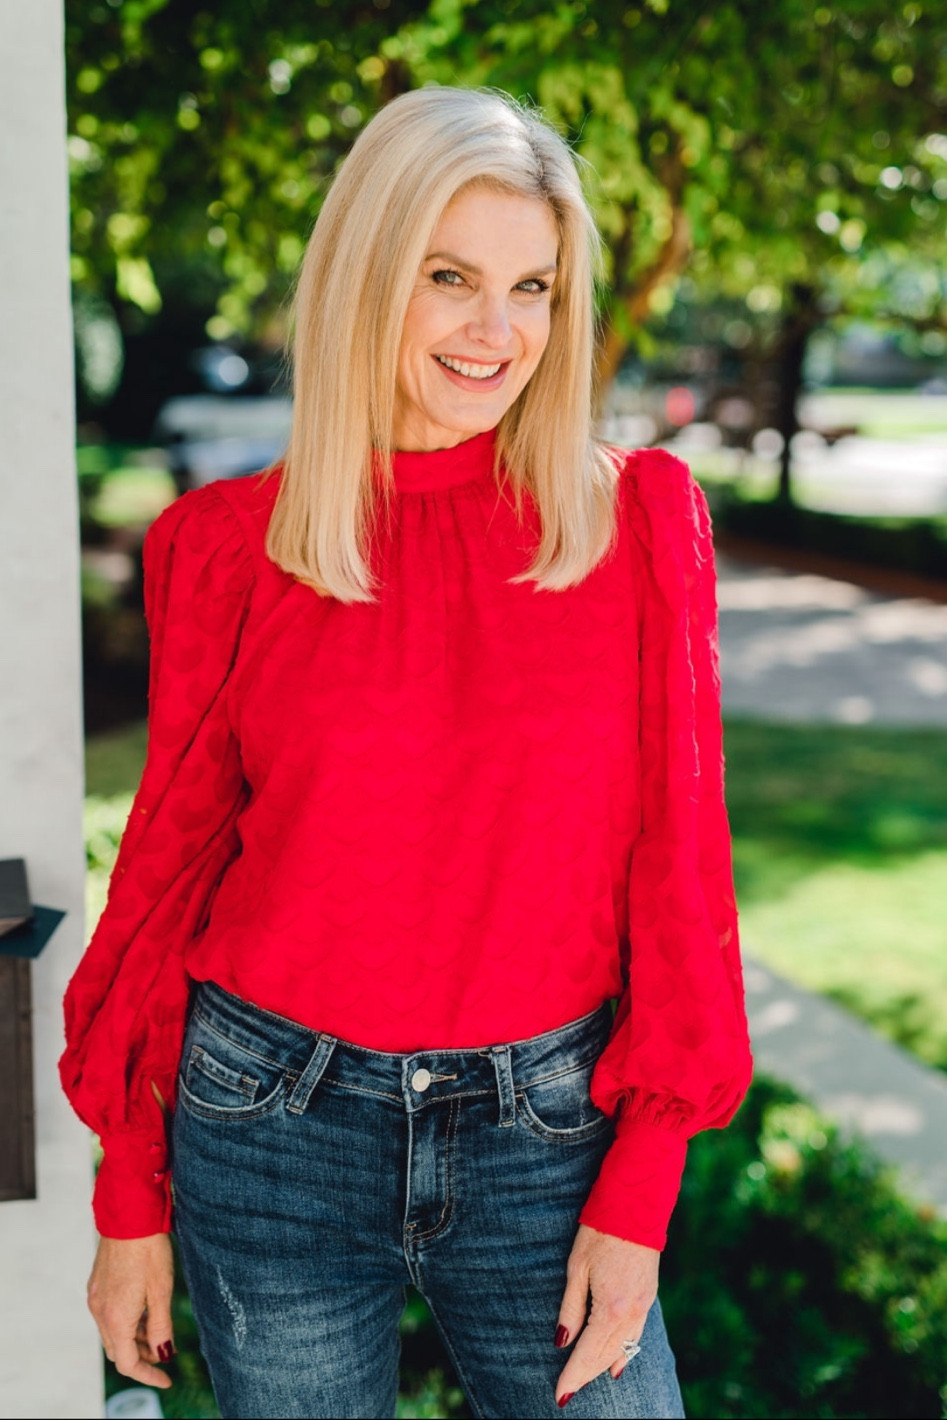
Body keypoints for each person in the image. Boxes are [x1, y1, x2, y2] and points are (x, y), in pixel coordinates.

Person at [61, 86, 753, 1420]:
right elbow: (165, 879)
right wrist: (130, 1198)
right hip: (271, 1127)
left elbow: (682, 874)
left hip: (548, 1135)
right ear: (368, 276)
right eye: (450, 277)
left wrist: (642, 1192)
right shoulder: (226, 550)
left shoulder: (639, 529)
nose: (498, 331)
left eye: (534, 286)